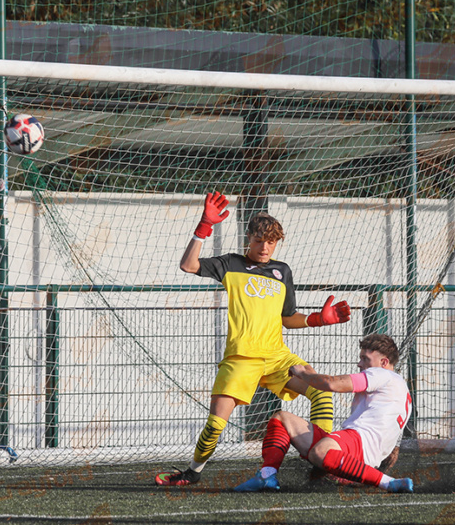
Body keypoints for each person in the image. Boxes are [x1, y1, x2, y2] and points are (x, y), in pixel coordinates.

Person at [155, 191, 351, 486]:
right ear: (249, 238)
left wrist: (317, 320)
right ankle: (192, 473)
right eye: (259, 240)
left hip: (276, 356)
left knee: (321, 389)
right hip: (241, 359)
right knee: (215, 424)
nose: (265, 247)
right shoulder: (230, 264)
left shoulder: (281, 271)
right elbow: (189, 265)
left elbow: (287, 318)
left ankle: (321, 458)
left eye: (271, 242)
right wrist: (203, 227)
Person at [234, 333, 414, 493]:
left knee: (320, 452)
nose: (359, 363)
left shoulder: (383, 375)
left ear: (383, 363)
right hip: (358, 449)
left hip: (360, 444)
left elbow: (331, 384)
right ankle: (267, 475)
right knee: (282, 419)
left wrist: (302, 373)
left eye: (365, 358)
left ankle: (388, 482)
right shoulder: (400, 389)